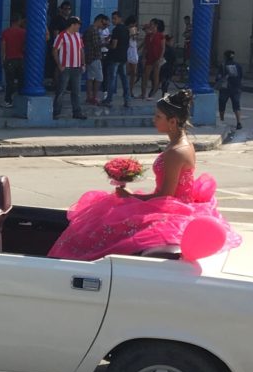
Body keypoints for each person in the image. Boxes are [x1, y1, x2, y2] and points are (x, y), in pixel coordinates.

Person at [48, 89, 241, 261]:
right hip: (170, 200)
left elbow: (166, 196)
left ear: (172, 122)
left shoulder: (176, 151)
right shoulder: (180, 143)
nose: (154, 120)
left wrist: (132, 196)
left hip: (170, 206)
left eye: (158, 117)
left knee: (108, 220)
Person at [51, 16, 85, 120]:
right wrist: (59, 65)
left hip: (76, 67)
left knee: (76, 91)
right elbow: (55, 50)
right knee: (61, 90)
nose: (79, 27)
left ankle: (77, 112)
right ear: (73, 25)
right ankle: (56, 112)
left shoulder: (78, 36)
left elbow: (81, 50)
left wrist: (83, 64)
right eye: (78, 25)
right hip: (65, 67)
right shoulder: (62, 36)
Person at [101, 11, 130, 108]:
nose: (113, 20)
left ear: (120, 18)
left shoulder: (116, 30)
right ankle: (127, 99)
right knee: (124, 78)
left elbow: (113, 45)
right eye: (112, 18)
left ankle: (108, 99)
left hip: (114, 57)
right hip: (123, 57)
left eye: (115, 18)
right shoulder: (126, 29)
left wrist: (105, 45)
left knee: (112, 79)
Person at [0, 14, 26, 108]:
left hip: (10, 59)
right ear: (18, 21)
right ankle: (21, 98)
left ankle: (8, 100)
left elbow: (3, 46)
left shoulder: (6, 32)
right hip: (21, 58)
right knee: (21, 80)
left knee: (9, 81)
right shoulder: (23, 32)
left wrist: (3, 58)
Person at [83, 14, 108, 106]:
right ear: (99, 20)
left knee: (90, 77)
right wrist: (106, 43)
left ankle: (89, 96)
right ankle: (94, 96)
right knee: (99, 77)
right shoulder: (94, 31)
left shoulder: (89, 29)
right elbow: (96, 45)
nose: (104, 27)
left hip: (89, 57)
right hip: (95, 57)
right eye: (104, 24)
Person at [216, 50, 244, 130]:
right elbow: (241, 76)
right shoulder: (238, 65)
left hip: (225, 88)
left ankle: (222, 120)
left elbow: (218, 77)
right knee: (236, 105)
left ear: (225, 57)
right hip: (236, 88)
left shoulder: (223, 65)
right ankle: (239, 122)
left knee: (222, 104)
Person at [142, 19, 166, 100]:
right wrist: (143, 57)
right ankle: (143, 93)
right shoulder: (148, 36)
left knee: (156, 76)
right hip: (149, 57)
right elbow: (145, 47)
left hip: (157, 58)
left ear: (156, 25)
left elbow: (163, 48)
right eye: (150, 24)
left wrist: (160, 58)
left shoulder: (161, 35)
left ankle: (153, 94)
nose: (150, 26)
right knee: (145, 75)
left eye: (151, 24)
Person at [126, 17, 143, 98]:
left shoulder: (134, 29)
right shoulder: (129, 29)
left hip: (133, 49)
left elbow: (135, 38)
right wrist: (135, 33)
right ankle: (128, 90)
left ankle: (130, 90)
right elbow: (134, 37)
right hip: (129, 49)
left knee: (133, 73)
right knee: (128, 72)